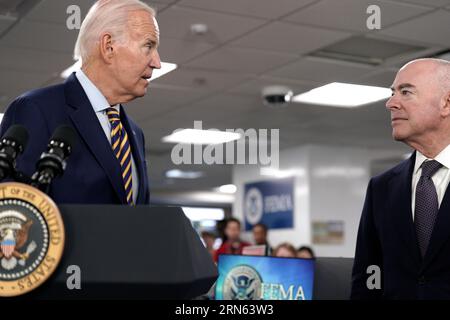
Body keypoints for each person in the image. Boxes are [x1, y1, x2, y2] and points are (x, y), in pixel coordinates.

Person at [0, 0, 161, 204]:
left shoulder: (135, 133)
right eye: (148, 46)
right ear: (108, 46)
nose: (157, 62)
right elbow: (15, 214)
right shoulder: (36, 109)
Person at [351, 58, 450, 299]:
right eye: (392, 93)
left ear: (446, 103)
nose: (390, 103)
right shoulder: (381, 188)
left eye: (405, 92)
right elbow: (367, 279)